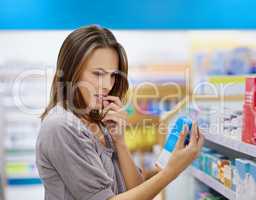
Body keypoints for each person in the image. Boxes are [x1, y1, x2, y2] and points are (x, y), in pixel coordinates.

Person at [36, 25, 204, 200]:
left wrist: (120, 142)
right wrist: (171, 171)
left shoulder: (100, 121)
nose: (108, 85)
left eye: (113, 75)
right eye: (98, 74)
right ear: (71, 73)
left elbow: (135, 189)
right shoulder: (61, 127)